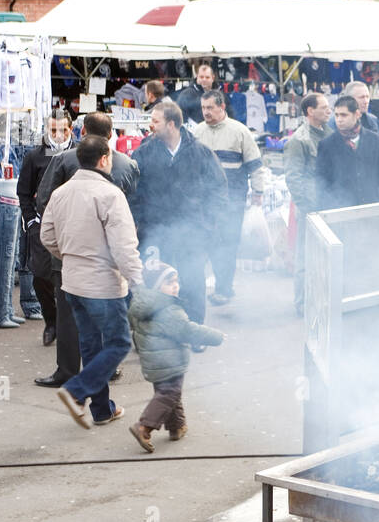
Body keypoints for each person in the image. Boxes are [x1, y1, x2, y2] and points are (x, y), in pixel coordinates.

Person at [40, 135, 142, 429]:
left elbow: (47, 235)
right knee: (119, 342)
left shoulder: (62, 192)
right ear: (105, 159)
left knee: (92, 348)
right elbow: (124, 247)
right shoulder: (110, 194)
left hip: (72, 282)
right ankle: (76, 391)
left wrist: (70, 256)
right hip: (103, 285)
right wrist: (138, 280)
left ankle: (101, 409)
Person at [130, 100, 226, 324]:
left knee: (192, 280)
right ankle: (154, 332)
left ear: (171, 124)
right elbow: (133, 190)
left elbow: (219, 188)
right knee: (155, 281)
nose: (151, 125)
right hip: (154, 231)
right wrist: (138, 221)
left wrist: (209, 222)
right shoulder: (142, 153)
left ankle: (194, 329)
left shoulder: (200, 153)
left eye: (155, 121)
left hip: (192, 231)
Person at [127, 261, 225, 452]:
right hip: (169, 361)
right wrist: (216, 336)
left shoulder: (141, 304)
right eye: (169, 282)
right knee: (169, 394)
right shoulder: (168, 309)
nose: (175, 286)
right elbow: (187, 330)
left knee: (169, 394)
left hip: (153, 360)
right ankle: (144, 426)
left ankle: (177, 426)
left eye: (176, 281)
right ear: (157, 287)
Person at [190, 89, 267, 307]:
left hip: (233, 199)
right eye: (203, 108)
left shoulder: (239, 131)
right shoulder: (198, 132)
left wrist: (258, 194)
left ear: (221, 107)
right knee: (211, 242)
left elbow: (256, 167)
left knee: (228, 243)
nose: (206, 112)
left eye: (210, 108)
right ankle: (219, 284)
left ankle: (224, 288)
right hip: (205, 201)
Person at [19, 110, 73, 347]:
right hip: (42, 226)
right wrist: (31, 221)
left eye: (63, 130)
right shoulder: (35, 156)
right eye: (53, 130)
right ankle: (51, 321)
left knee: (69, 278)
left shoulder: (80, 153)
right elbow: (23, 192)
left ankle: (67, 324)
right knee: (41, 276)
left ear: (71, 129)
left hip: (72, 227)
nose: (58, 135)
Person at [284, 93, 329, 316]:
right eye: (324, 107)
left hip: (328, 204)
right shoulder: (299, 140)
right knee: (305, 257)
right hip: (310, 208)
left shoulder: (329, 133)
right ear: (310, 111)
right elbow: (293, 178)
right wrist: (307, 205)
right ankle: (301, 302)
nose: (328, 111)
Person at [316, 94, 379, 211]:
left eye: (344, 115)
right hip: (341, 210)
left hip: (371, 207)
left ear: (357, 114)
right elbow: (322, 182)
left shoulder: (375, 140)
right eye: (336, 115)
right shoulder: (326, 144)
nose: (339, 119)